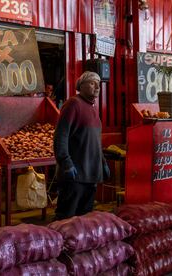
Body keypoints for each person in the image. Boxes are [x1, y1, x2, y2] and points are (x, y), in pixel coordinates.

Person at [53, 71, 110, 220]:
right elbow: (61, 136)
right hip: (75, 176)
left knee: (84, 220)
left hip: (91, 176)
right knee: (66, 218)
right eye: (92, 83)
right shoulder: (73, 104)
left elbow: (95, 141)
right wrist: (65, 162)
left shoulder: (93, 109)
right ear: (81, 86)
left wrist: (102, 163)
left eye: (98, 83)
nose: (97, 86)